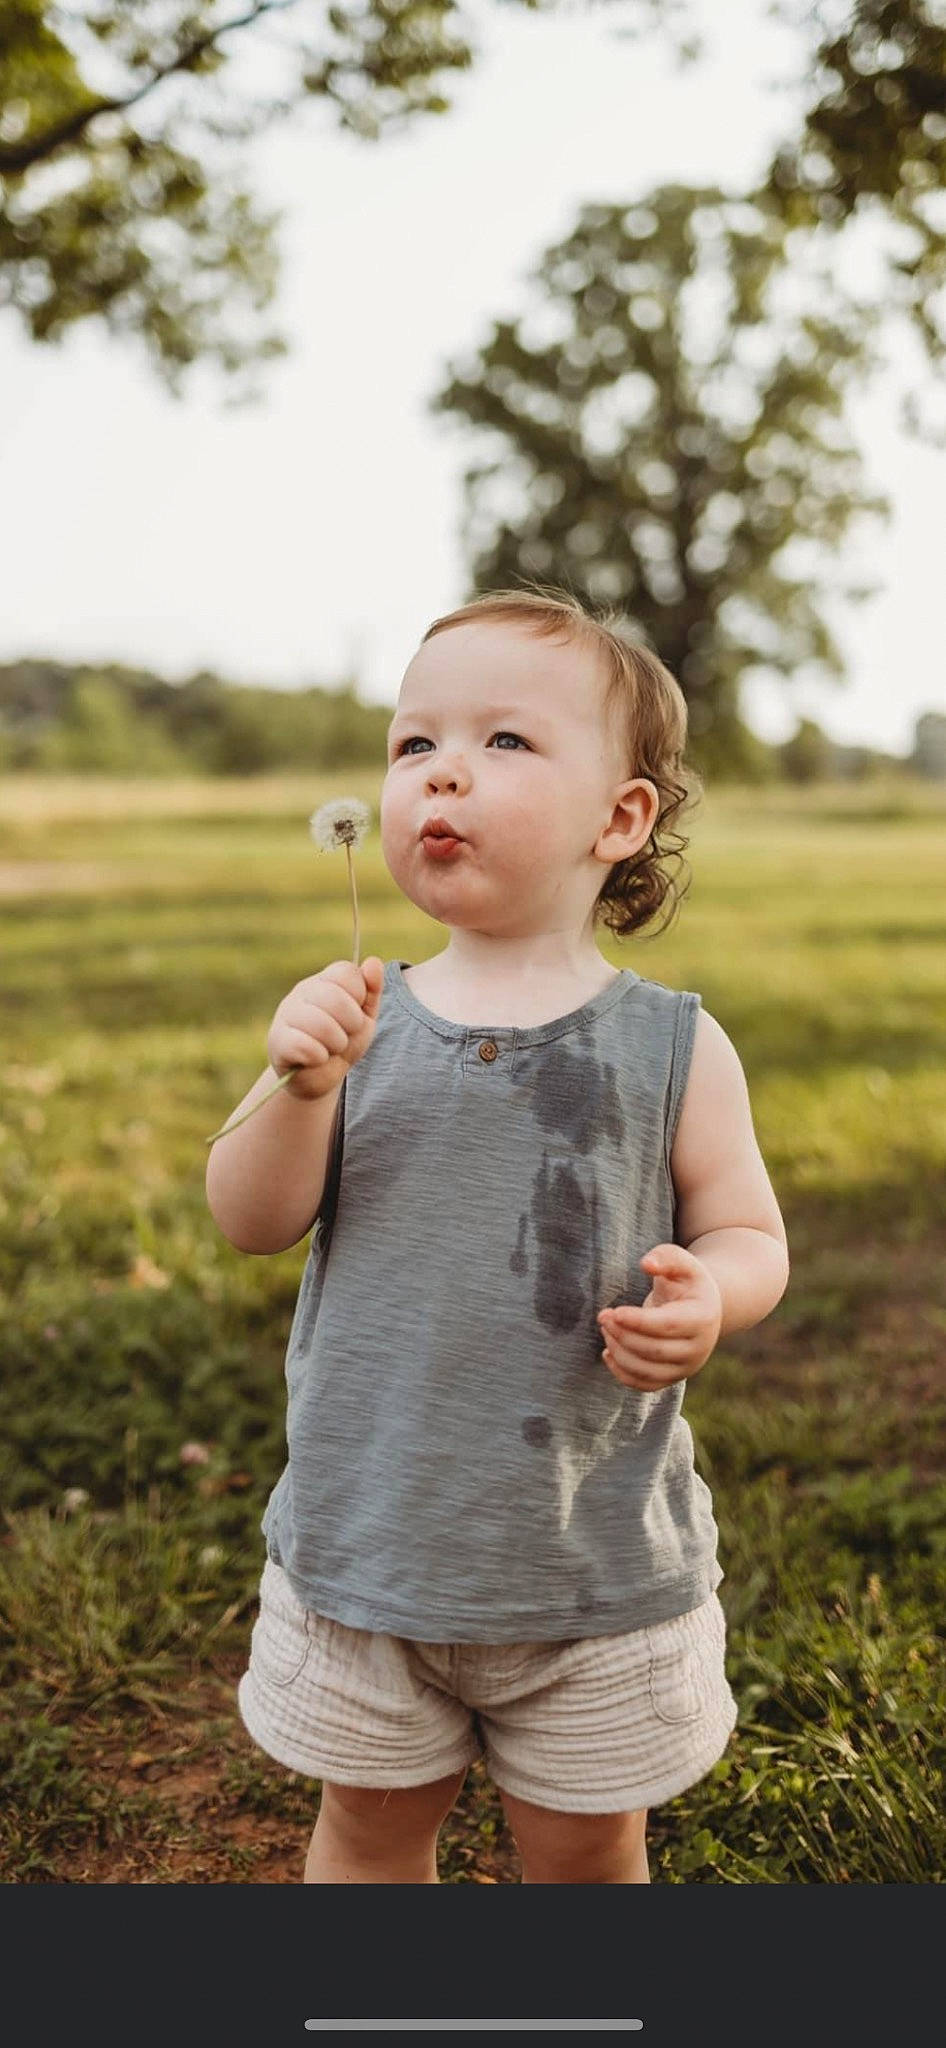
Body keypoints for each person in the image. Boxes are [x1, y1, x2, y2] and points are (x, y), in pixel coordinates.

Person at [205, 587, 790, 1884]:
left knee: (584, 1850)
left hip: (589, 1561)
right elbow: (249, 1220)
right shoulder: (354, 1019)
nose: (441, 771)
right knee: (366, 1833)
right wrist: (298, 1091)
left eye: (504, 743)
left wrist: (718, 1292)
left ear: (618, 819)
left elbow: (748, 1226)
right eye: (414, 744)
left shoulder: (672, 1046)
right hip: (372, 1550)